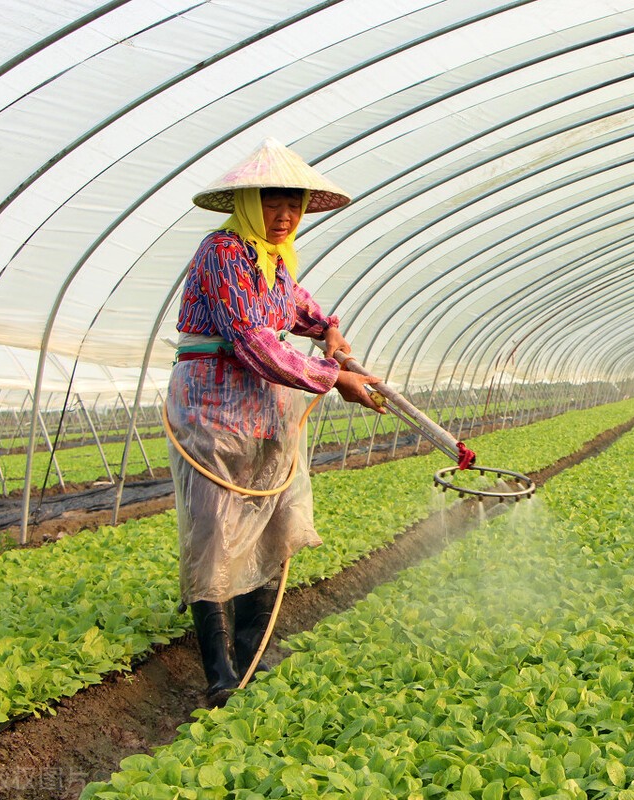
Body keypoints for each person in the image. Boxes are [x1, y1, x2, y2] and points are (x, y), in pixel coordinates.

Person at [168, 137, 382, 704]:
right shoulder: (223, 253)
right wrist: (336, 378)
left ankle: (252, 653)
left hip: (264, 407)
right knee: (214, 524)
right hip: (214, 407)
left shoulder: (275, 263)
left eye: (295, 204)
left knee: (266, 518)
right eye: (273, 202)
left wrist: (330, 331)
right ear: (246, 203)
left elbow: (302, 310)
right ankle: (219, 673)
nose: (285, 215)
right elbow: (253, 341)